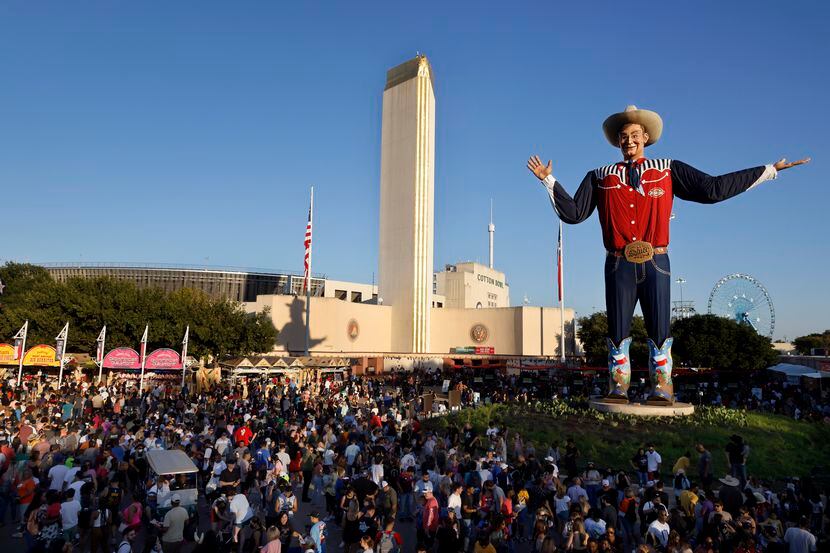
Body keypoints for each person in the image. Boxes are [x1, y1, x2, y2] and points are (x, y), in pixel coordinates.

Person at [529, 105, 809, 403]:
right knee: (617, 330)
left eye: (635, 134)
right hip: (617, 262)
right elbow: (573, 213)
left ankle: (662, 386)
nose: (629, 140)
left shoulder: (668, 169)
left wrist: (768, 171)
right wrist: (549, 180)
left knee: (660, 329)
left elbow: (712, 189)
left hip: (656, 261)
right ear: (617, 141)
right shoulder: (599, 176)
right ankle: (617, 387)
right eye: (623, 136)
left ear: (646, 137)